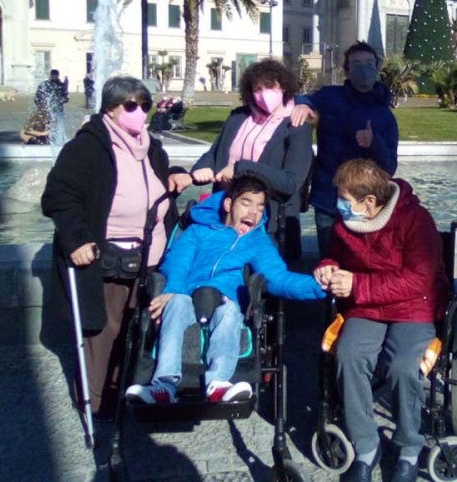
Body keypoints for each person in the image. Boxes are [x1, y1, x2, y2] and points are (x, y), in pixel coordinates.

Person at [41, 76, 186, 420]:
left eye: (145, 105)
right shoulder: (87, 148)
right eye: (130, 105)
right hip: (106, 257)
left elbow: (157, 182)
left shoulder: (149, 145)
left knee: (136, 327)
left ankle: (122, 391)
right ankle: (93, 401)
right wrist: (76, 239)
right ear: (110, 108)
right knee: (103, 329)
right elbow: (58, 197)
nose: (140, 113)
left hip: (149, 257)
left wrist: (176, 174)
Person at [126, 175, 326, 405]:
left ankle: (219, 382)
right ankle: (163, 384)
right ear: (229, 204)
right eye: (246, 203)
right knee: (177, 302)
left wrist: (319, 286)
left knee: (229, 311)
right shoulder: (199, 231)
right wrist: (173, 289)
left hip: (225, 300)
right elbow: (177, 262)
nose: (253, 212)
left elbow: (278, 278)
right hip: (188, 294)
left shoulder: (257, 242)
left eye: (260, 207)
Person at [313, 159, 449, 482]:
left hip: (413, 307)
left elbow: (418, 280)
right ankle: (366, 446)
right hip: (366, 309)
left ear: (370, 202)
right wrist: (328, 265)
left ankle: (408, 447)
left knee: (403, 366)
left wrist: (358, 285)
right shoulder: (345, 224)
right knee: (349, 355)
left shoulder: (416, 220)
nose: (339, 207)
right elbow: (335, 253)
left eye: (346, 201)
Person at [170, 59, 313, 265]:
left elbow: (290, 182)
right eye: (257, 89)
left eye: (270, 87)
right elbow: (215, 152)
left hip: (271, 224)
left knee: (263, 287)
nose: (264, 94)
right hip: (227, 217)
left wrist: (240, 168)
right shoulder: (239, 116)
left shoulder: (296, 125)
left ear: (283, 87)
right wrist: (202, 168)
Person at [291, 43, 398, 257]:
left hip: (364, 204)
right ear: (347, 71)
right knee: (328, 260)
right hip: (327, 198)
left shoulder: (385, 115)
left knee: (358, 260)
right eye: (356, 64)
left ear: (377, 68)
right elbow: (305, 99)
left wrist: (374, 142)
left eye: (368, 64)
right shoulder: (330, 96)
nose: (363, 69)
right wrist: (303, 104)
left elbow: (390, 168)